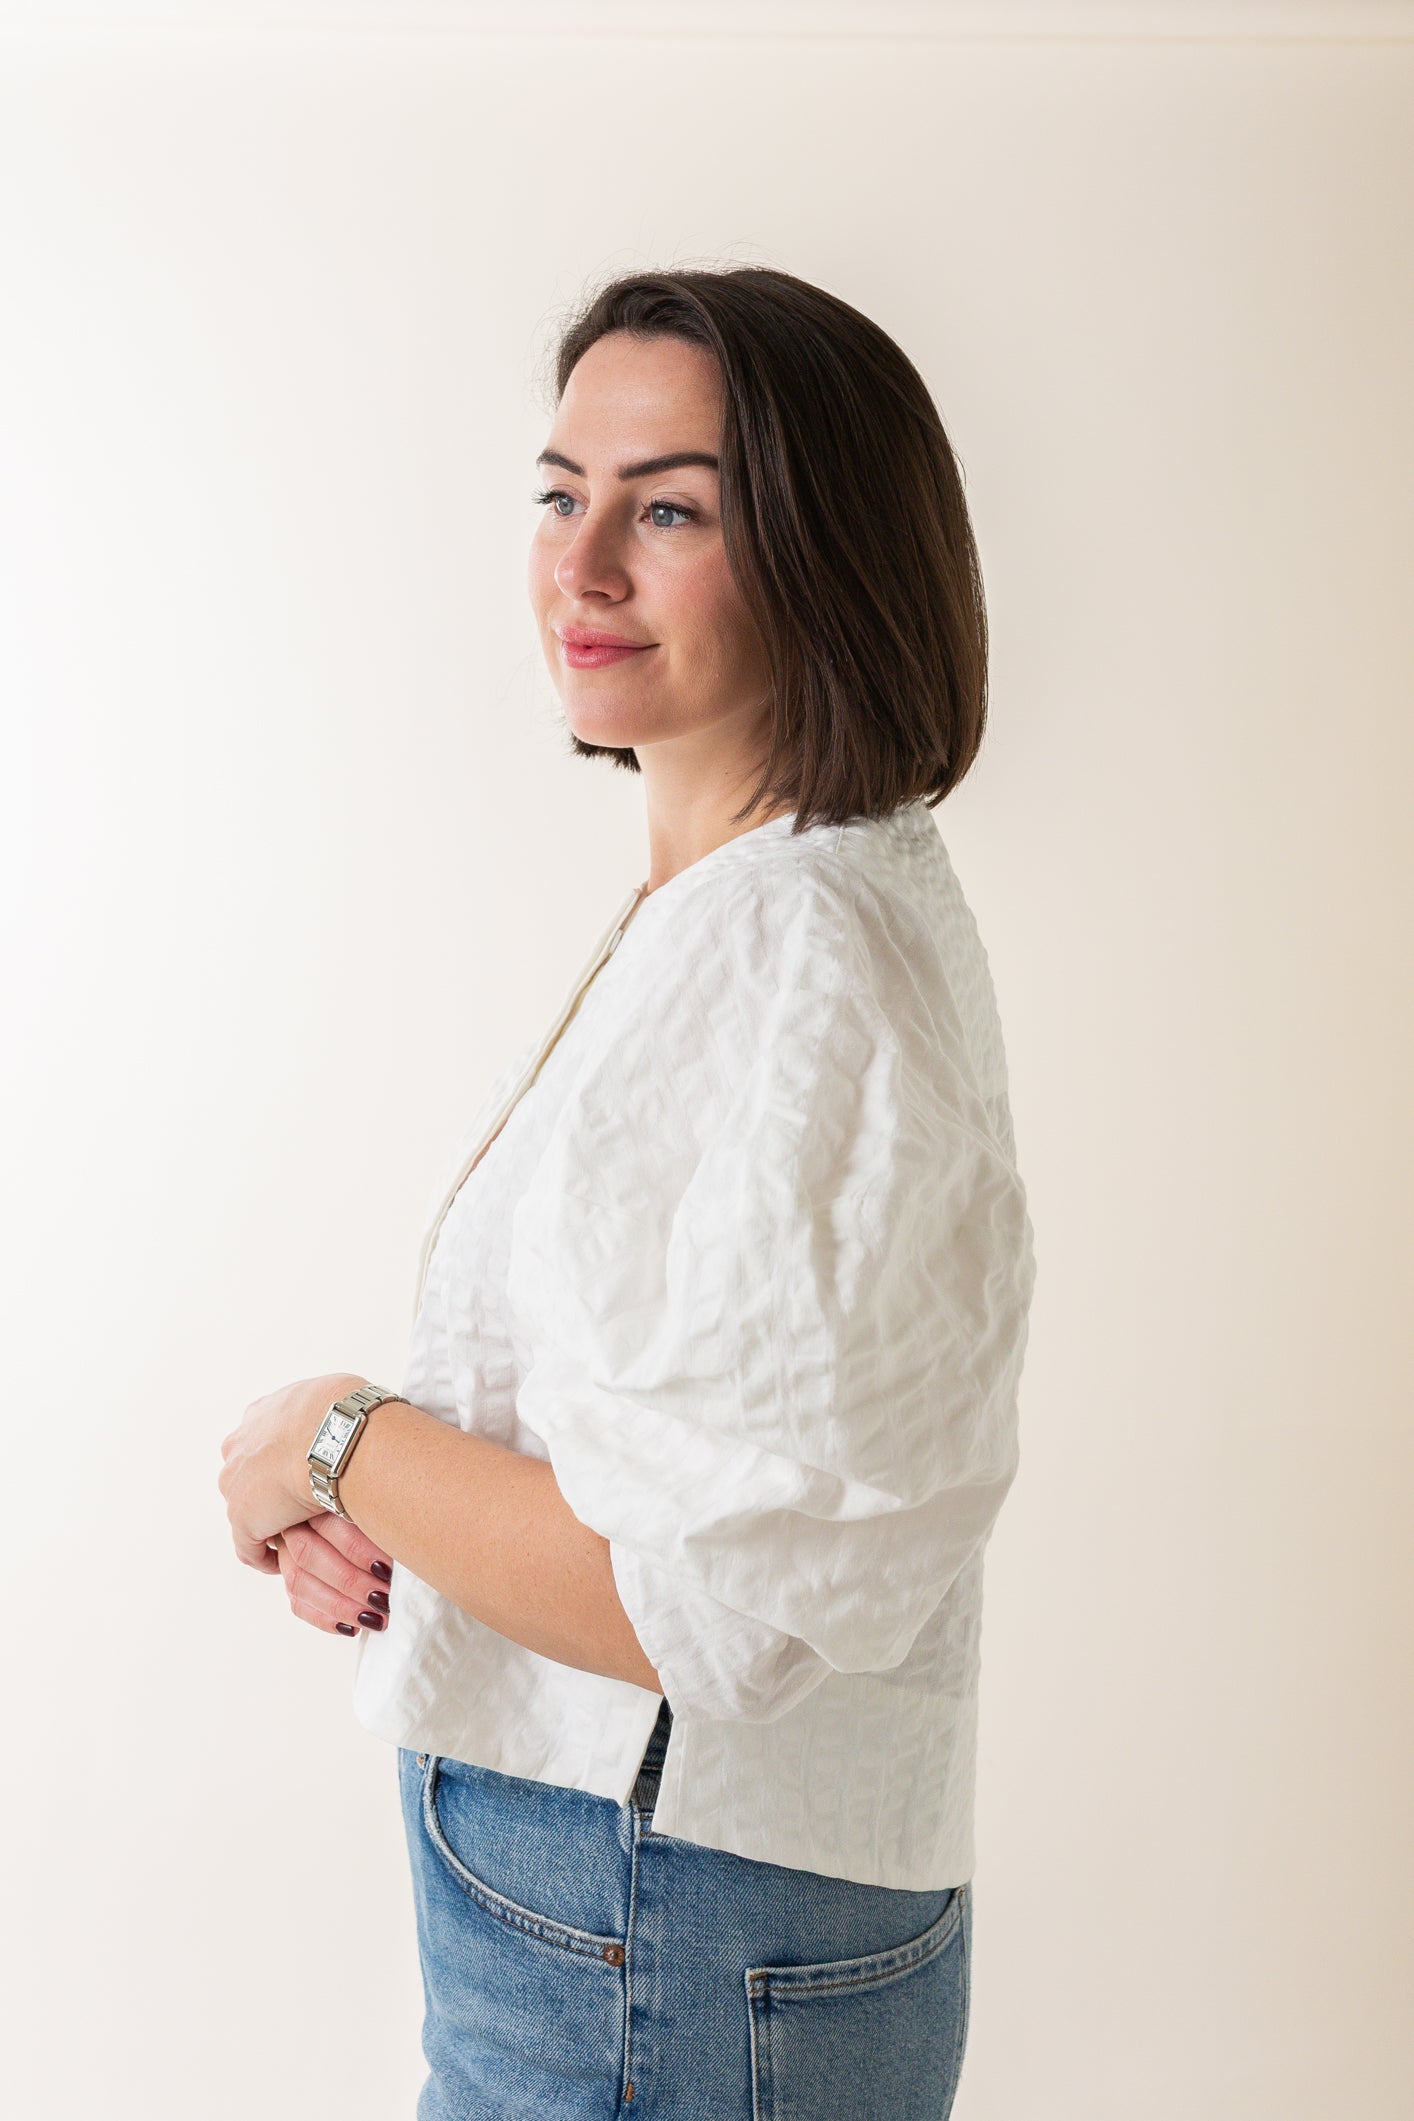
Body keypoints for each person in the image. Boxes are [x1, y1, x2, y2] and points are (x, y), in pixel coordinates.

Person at [219, 264, 1037, 2120]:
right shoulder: (750, 900)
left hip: (650, 1896)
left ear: (827, 556)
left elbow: (703, 1605)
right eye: (560, 492)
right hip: (657, 1888)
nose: (579, 565)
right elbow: (678, 1448)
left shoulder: (795, 950)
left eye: (667, 510)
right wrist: (403, 1492)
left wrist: (332, 1434)